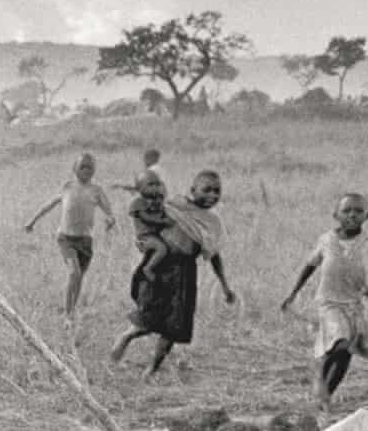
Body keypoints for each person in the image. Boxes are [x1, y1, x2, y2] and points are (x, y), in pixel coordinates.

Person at [110, 170, 237, 376]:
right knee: (149, 318)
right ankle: (126, 337)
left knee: (174, 326)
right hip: (160, 268)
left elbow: (214, 255)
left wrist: (225, 286)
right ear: (192, 190)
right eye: (207, 190)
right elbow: (145, 217)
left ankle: (152, 369)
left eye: (217, 191)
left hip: (185, 274)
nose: (212, 195)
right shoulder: (173, 206)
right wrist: (142, 242)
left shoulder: (213, 223)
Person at [280, 192, 368, 411]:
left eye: (358, 211)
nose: (352, 215)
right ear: (335, 215)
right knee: (341, 343)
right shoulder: (326, 240)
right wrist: (293, 293)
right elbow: (310, 266)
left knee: (345, 352)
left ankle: (324, 397)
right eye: (347, 210)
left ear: (367, 216)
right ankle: (321, 385)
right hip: (328, 303)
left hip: (354, 304)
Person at [24, 152, 116, 316]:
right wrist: (32, 221)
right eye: (83, 167)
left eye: (90, 167)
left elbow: (109, 212)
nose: (86, 171)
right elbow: (49, 205)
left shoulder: (97, 191)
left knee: (79, 278)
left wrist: (110, 221)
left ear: (94, 170)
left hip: (85, 241)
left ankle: (72, 309)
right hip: (66, 239)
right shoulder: (67, 187)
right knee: (74, 273)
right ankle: (68, 315)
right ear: (75, 169)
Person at [126, 171, 176, 279]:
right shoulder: (138, 202)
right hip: (145, 236)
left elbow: (166, 212)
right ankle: (148, 268)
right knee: (161, 248)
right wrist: (163, 222)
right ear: (140, 188)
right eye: (150, 184)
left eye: (157, 184)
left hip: (157, 235)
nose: (155, 187)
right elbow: (146, 218)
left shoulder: (158, 202)